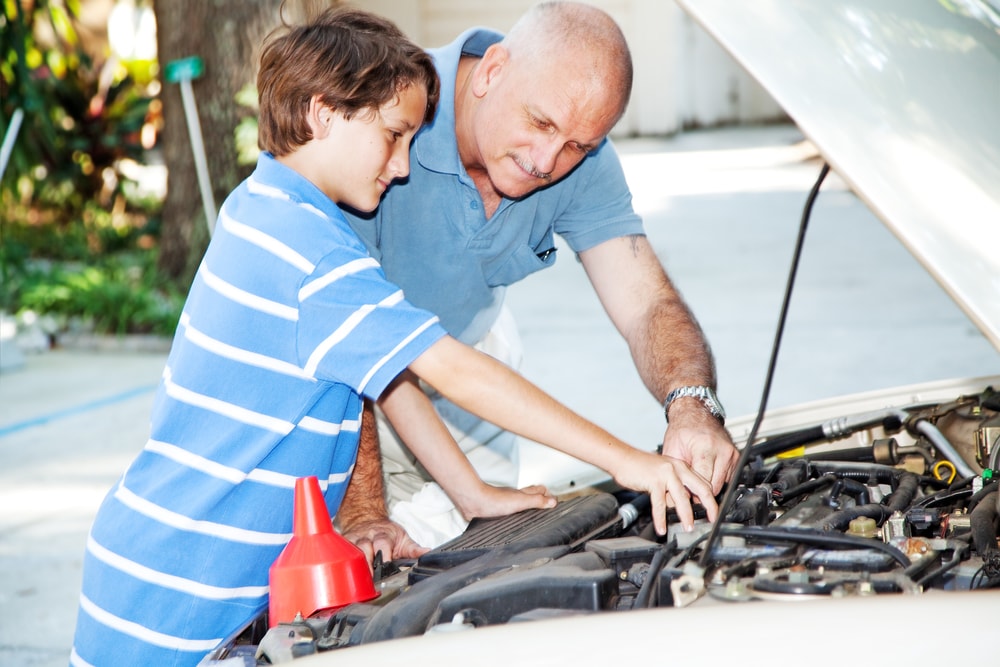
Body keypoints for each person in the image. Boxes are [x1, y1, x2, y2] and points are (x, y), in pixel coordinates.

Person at [70, 6, 717, 666]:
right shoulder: (312, 255)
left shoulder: (278, 212)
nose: (404, 165)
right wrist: (627, 460)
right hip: (175, 597)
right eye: (394, 137)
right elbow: (452, 370)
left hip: (207, 580)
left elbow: (392, 366)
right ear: (323, 115)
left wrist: (472, 493)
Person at [338, 0, 741, 554]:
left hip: (464, 368)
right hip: (344, 385)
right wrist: (363, 510)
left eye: (578, 144)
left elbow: (646, 303)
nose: (549, 161)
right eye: (541, 122)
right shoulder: (385, 117)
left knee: (477, 556)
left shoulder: (583, 157)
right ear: (493, 70)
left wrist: (692, 406)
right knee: (358, 565)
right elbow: (348, 338)